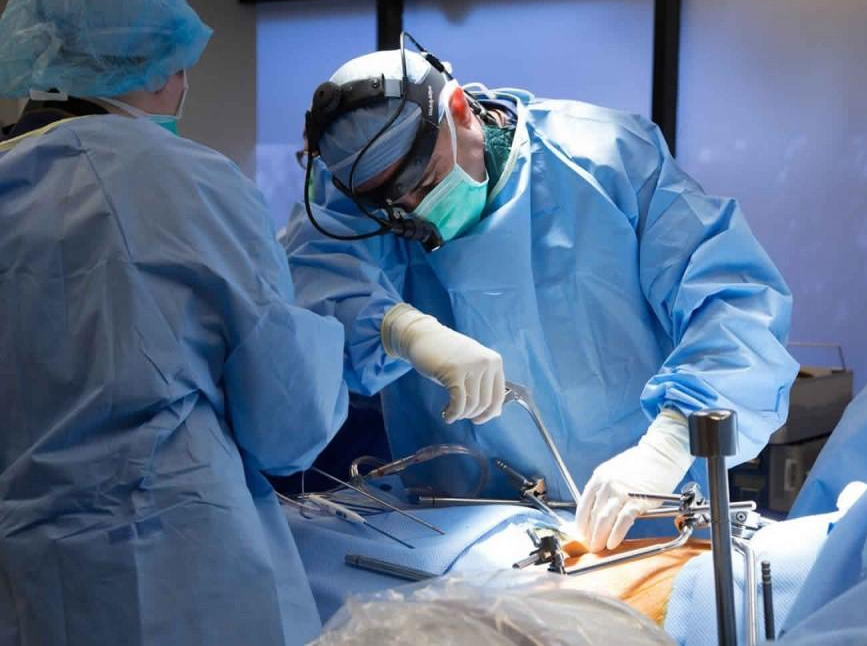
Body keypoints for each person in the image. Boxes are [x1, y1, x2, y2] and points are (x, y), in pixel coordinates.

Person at [281, 42, 798, 552]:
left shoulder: (603, 160)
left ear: (459, 111)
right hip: (466, 532)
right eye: (393, 205)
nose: (414, 210)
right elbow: (310, 282)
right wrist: (400, 328)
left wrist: (667, 446)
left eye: (425, 180)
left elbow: (739, 305)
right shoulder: (356, 193)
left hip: (648, 517)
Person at [0, 0, 348, 644]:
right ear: (165, 67)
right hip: (177, 576)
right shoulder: (191, 183)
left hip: (23, 587)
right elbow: (287, 423)